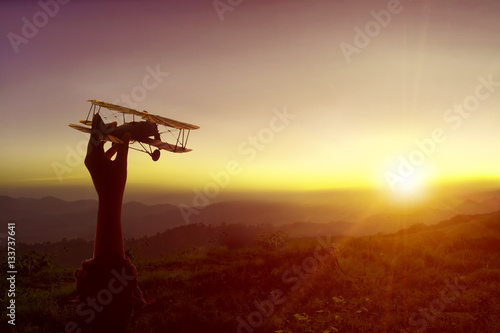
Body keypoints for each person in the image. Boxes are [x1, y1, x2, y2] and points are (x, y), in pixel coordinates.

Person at [70, 114, 148, 333]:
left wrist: (120, 146)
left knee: (109, 213)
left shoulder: (92, 160)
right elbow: (109, 156)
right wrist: (122, 144)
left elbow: (106, 157)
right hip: (110, 185)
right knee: (110, 215)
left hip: (109, 185)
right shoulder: (93, 159)